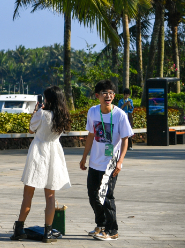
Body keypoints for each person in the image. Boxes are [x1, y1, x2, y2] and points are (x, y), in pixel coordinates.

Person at [10, 86, 72, 243]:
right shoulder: (62, 116)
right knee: (50, 196)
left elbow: (32, 129)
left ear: (49, 99)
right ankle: (48, 232)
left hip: (38, 152)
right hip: (54, 154)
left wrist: (36, 112)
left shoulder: (42, 114)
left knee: (28, 194)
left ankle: (19, 228)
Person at [80, 80, 133, 241]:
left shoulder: (120, 115)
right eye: (104, 93)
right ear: (97, 96)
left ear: (114, 96)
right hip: (95, 162)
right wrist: (84, 157)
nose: (108, 96)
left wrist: (120, 162)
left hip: (111, 163)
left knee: (106, 196)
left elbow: (125, 140)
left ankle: (112, 230)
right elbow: (90, 135)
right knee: (92, 195)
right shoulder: (93, 112)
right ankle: (101, 225)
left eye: (110, 93)